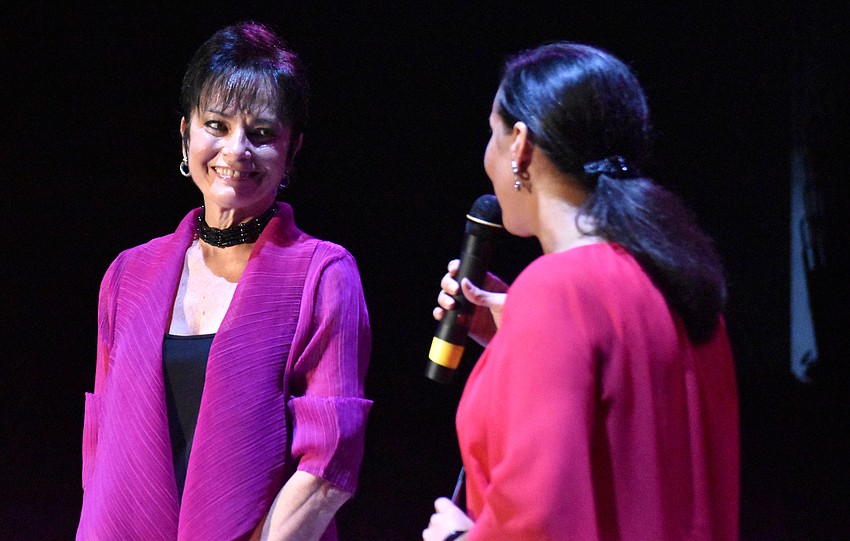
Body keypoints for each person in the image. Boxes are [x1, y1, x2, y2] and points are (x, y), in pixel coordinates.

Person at [423, 42, 739, 541]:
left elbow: (542, 519)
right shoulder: (682, 281)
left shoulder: (555, 292)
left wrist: (458, 538)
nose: (487, 155)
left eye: (492, 134)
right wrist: (515, 334)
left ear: (520, 145)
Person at [76, 22, 371, 541]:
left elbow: (327, 466)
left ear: (292, 149)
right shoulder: (128, 276)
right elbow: (101, 458)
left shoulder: (322, 274)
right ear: (185, 132)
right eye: (216, 125)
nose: (236, 151)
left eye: (260, 134)